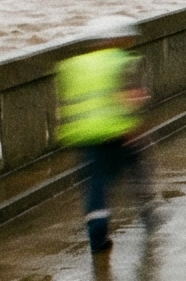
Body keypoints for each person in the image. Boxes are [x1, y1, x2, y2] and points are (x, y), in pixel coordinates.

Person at [56, 14, 150, 252]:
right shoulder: (120, 60)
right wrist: (134, 128)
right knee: (136, 167)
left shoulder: (71, 66)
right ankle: (148, 213)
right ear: (116, 38)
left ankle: (97, 232)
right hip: (115, 130)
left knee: (95, 184)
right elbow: (129, 97)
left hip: (82, 134)